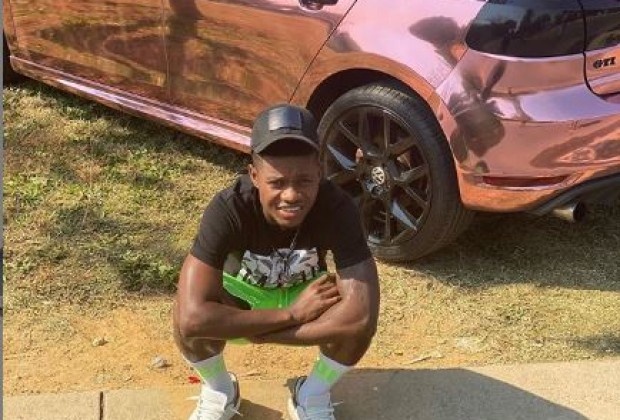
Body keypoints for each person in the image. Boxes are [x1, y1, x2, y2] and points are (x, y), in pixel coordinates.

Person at [173, 104, 380, 420]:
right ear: (254, 176)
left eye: (304, 181)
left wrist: (265, 333)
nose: (291, 195)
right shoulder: (229, 208)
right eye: (278, 182)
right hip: (244, 299)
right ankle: (220, 391)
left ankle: (312, 395)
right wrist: (290, 315)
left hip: (308, 295)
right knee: (185, 316)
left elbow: (360, 317)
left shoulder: (338, 208)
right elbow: (193, 318)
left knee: (355, 319)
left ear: (320, 172)